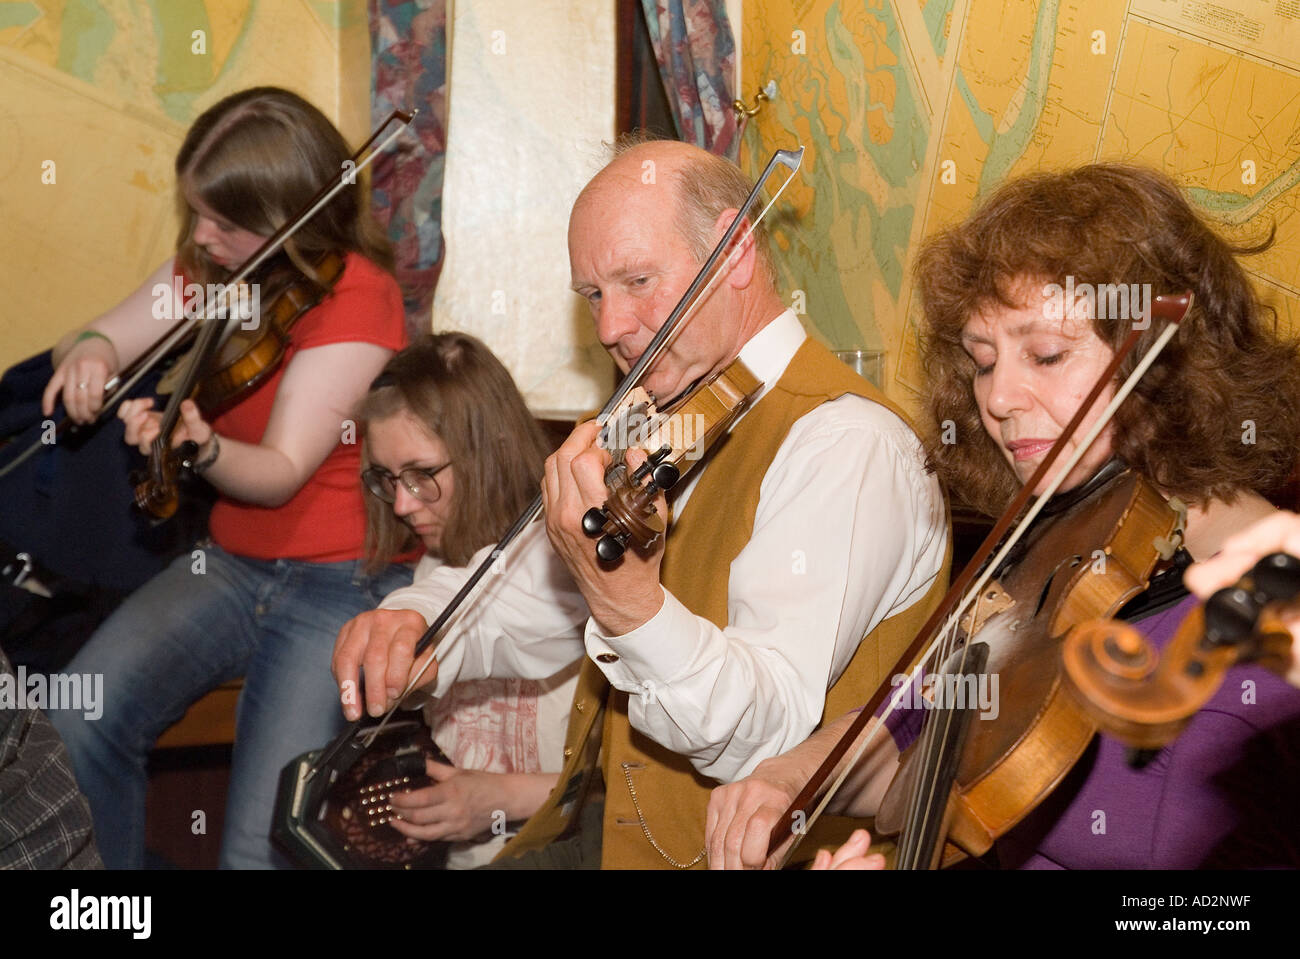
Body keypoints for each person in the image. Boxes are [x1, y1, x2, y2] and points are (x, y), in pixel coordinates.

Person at [333, 138, 950, 868]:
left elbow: (769, 731)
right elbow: (527, 587)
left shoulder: (845, 444)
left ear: (734, 252)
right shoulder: (660, 415)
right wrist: (422, 624)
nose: (609, 327)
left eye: (637, 281)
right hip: (605, 835)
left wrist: (631, 608)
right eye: (593, 295)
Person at [707, 162, 1300, 870]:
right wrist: (789, 779)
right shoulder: (1069, 543)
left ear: (1167, 358)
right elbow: (921, 726)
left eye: (1045, 353)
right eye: (983, 361)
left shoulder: (1264, 641)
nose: (998, 397)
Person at [45, 87, 412, 869]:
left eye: (226, 223)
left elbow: (278, 473)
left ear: (291, 219)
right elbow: (104, 332)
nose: (203, 240)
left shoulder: (358, 296)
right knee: (77, 718)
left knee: (258, 845)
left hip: (339, 582)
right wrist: (87, 355)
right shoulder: (213, 265)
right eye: (198, 215)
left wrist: (200, 449)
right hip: (232, 561)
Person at [355, 333, 579, 869]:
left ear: (489, 448)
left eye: (422, 474)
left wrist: (501, 798)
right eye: (388, 478)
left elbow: (635, 796)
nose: (404, 504)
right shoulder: (434, 563)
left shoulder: (574, 554)